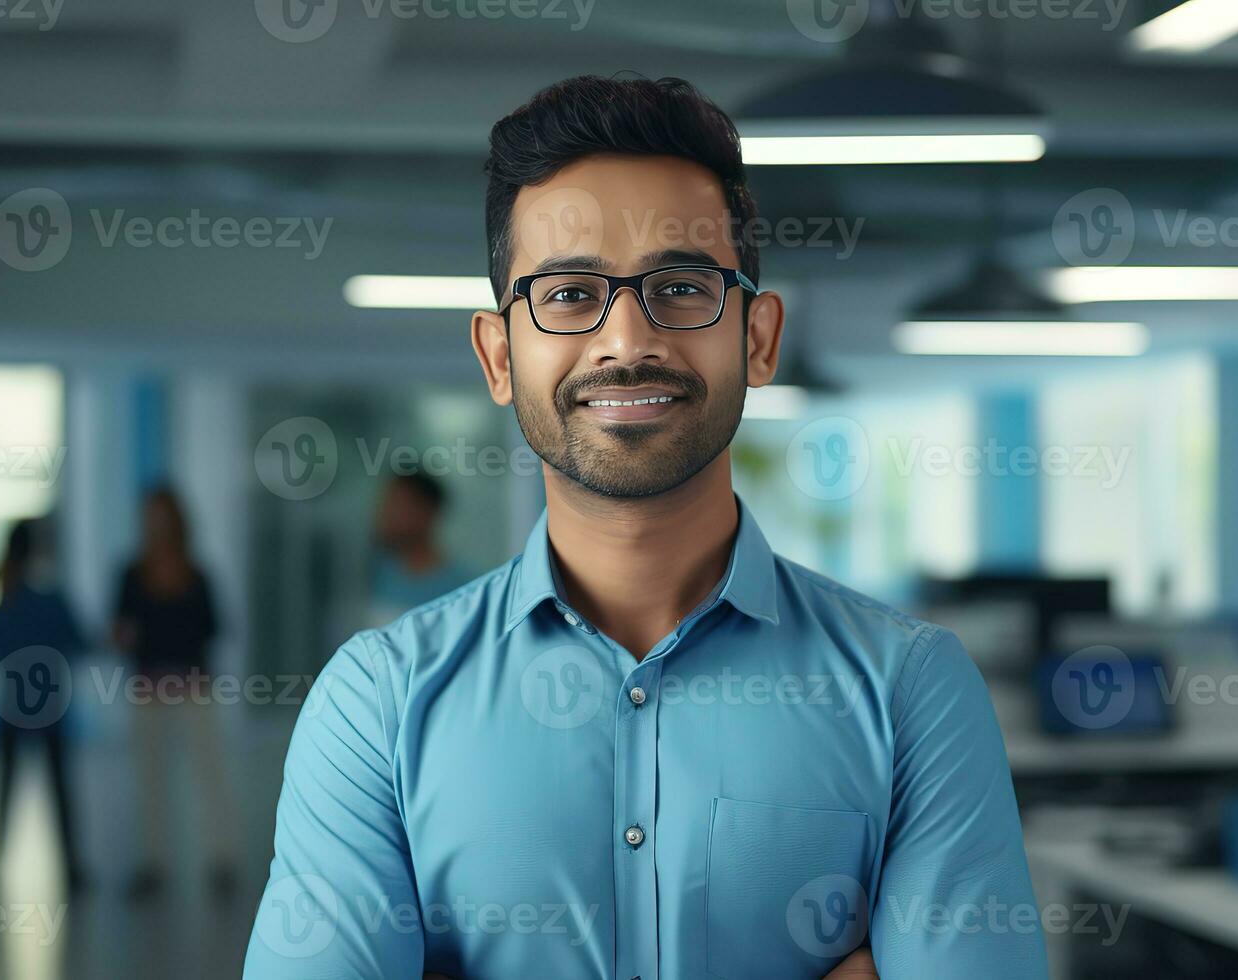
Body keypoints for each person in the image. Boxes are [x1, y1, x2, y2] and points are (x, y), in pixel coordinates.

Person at [246, 75, 1045, 979]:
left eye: (680, 285)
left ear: (758, 338)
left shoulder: (912, 691)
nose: (627, 340)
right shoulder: (376, 705)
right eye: (570, 294)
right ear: (500, 355)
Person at [111, 485, 238, 900]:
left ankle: (222, 858)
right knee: (149, 779)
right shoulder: (131, 575)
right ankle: (153, 862)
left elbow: (214, 628)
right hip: (148, 688)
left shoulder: (198, 576)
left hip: (193, 688)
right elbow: (120, 628)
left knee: (209, 775)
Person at [0, 516, 86, 892]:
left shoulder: (7, 601)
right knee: (60, 790)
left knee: (6, 788)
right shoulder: (51, 601)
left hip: (11, 711)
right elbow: (80, 641)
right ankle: (72, 868)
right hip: (50, 712)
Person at [366, 473, 472, 627]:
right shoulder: (372, 573)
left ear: (426, 513)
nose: (384, 514)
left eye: (396, 505)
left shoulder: (462, 589)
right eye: (384, 504)